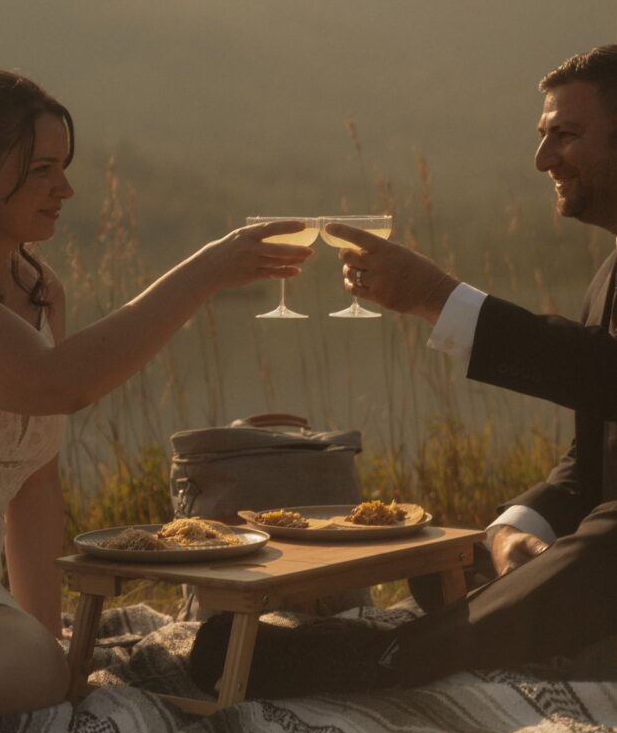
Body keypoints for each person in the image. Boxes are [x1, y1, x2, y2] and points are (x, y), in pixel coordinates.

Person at [190, 42, 617, 697]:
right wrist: (514, 530)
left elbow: (603, 371)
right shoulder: (609, 270)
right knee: (450, 553)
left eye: (565, 134)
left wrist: (436, 298)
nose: (541, 159)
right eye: (541, 135)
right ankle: (514, 620)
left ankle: (381, 656)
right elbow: (593, 451)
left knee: (602, 550)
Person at [0, 65, 314, 729]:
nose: (66, 188)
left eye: (65, 167)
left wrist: (53, 639)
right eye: (44, 169)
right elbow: (57, 384)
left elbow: (34, 484)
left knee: (36, 669)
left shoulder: (40, 288)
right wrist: (205, 272)